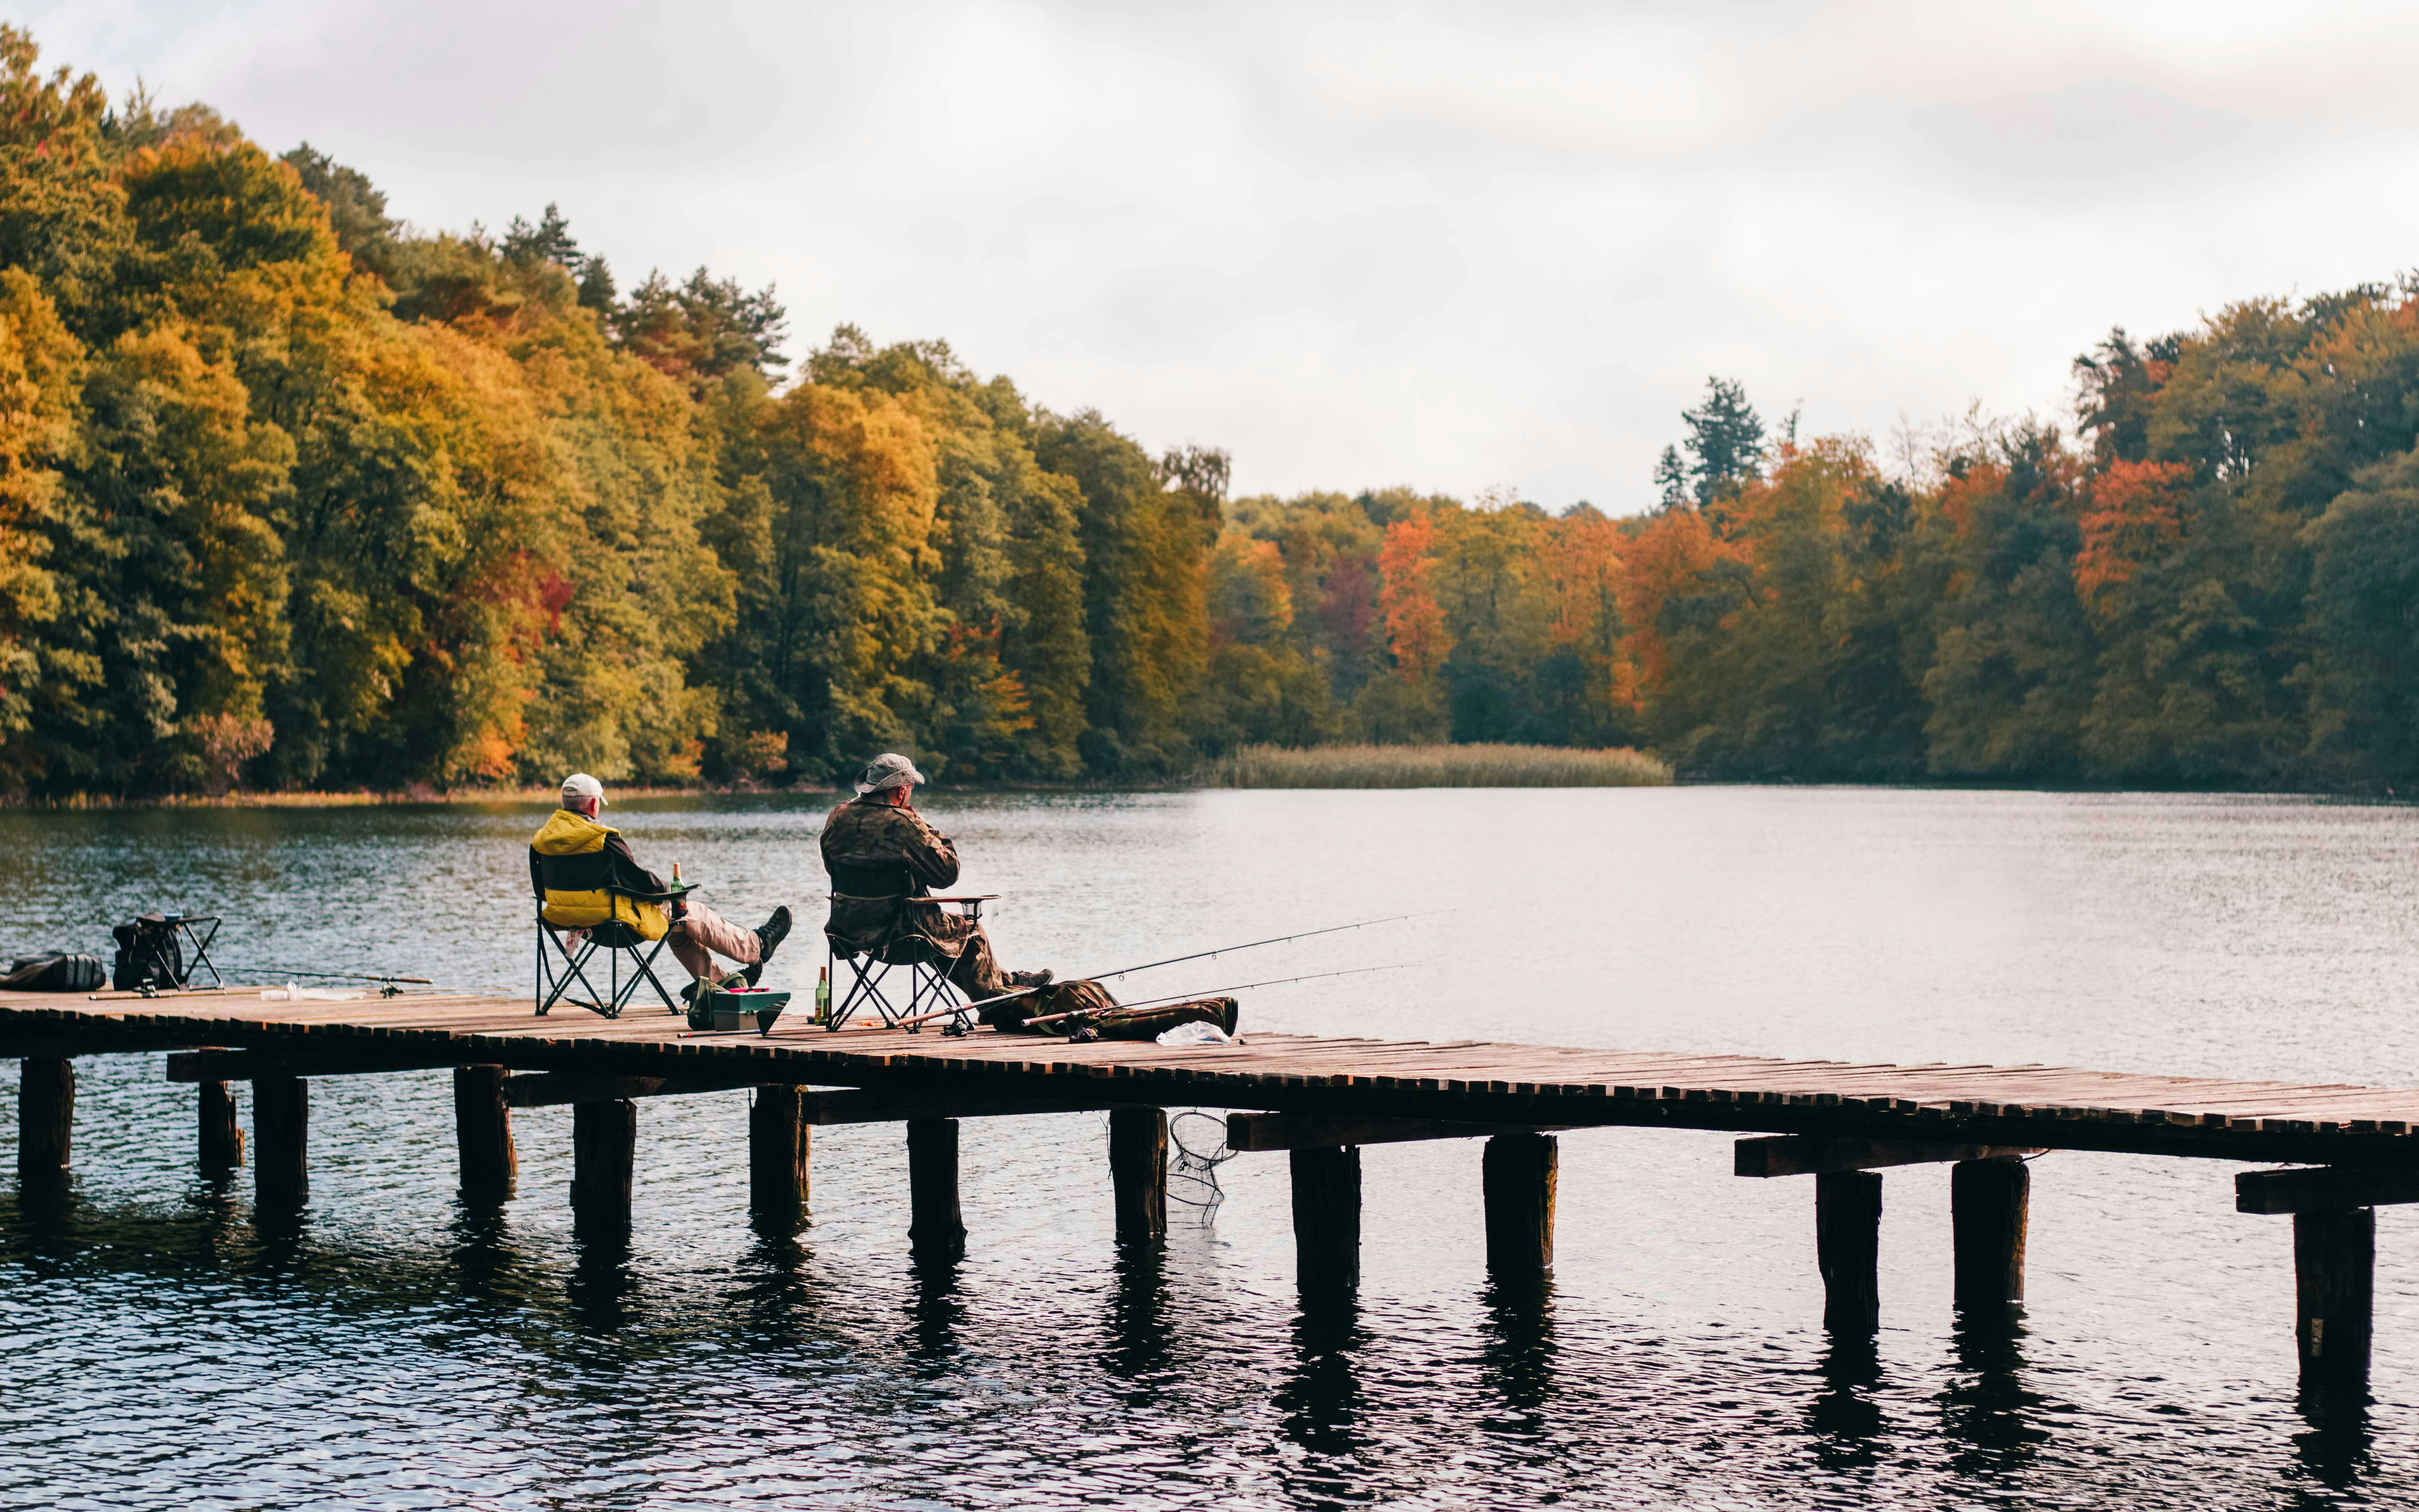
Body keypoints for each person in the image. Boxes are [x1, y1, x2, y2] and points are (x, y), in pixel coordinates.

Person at [820, 753, 1051, 1004]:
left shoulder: (838, 815)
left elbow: (832, 867)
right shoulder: (904, 823)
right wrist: (921, 823)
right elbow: (947, 874)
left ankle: (1006, 986)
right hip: (898, 933)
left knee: (943, 934)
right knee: (970, 931)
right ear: (900, 793)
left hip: (850, 930)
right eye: (910, 790)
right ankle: (996, 1002)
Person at [531, 773, 791, 991]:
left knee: (679, 927)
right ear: (592, 806)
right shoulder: (602, 838)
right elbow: (640, 882)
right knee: (689, 912)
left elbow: (540, 891)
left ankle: (723, 985)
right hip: (616, 925)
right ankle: (757, 945)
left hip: (569, 923)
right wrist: (666, 890)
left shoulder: (541, 842)